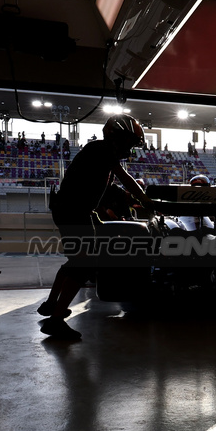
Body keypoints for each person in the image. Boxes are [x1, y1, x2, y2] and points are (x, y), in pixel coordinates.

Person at [38, 114, 150, 340]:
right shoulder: (102, 150)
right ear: (115, 137)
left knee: (76, 261)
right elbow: (124, 178)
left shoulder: (99, 153)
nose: (130, 148)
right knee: (84, 264)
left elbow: (103, 188)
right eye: (128, 141)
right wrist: (147, 200)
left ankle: (51, 305)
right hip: (73, 212)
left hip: (73, 210)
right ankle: (56, 321)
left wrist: (120, 202)